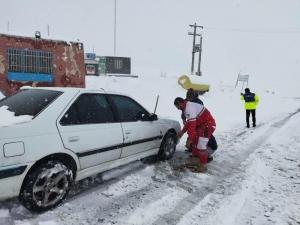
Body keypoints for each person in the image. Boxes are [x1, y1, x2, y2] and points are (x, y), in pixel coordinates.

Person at [174, 97, 216, 173]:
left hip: (208, 125)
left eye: (177, 107)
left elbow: (192, 125)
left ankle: (203, 166)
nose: (178, 109)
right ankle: (195, 161)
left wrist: (189, 139)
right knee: (195, 142)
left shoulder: (189, 108)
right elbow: (189, 123)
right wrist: (182, 132)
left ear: (180, 103)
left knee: (201, 145)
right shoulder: (187, 107)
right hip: (201, 125)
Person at [182, 89, 217, 162]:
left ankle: (207, 156)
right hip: (197, 123)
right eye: (188, 96)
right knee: (194, 136)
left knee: (201, 141)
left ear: (193, 95)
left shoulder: (198, 102)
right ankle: (193, 150)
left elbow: (201, 114)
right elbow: (184, 111)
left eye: (190, 96)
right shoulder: (186, 102)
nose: (189, 98)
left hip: (202, 125)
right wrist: (184, 119)